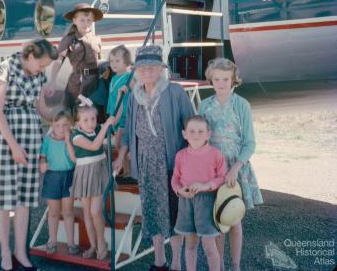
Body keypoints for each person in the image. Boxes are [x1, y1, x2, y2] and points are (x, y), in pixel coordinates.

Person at [0, 39, 58, 271]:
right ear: (30, 56)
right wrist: (14, 146)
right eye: (42, 65)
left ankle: (20, 252)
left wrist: (63, 120)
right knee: (5, 200)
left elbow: (41, 108)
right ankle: (6, 253)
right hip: (5, 140)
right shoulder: (4, 69)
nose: (43, 69)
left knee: (25, 199)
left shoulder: (38, 76)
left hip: (31, 138)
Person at [113, 45, 195, 271]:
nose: (147, 70)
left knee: (175, 213)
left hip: (171, 163)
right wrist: (121, 157)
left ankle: (177, 263)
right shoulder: (134, 96)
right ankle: (159, 262)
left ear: (160, 69)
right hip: (146, 164)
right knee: (152, 213)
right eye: (142, 67)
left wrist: (192, 162)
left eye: (152, 66)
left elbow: (191, 126)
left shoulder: (175, 92)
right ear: (137, 70)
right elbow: (129, 130)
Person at [199, 57, 263, 271]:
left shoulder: (241, 105)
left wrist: (236, 167)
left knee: (233, 217)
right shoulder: (205, 105)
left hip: (235, 167)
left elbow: (250, 143)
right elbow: (199, 138)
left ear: (233, 80)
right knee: (217, 221)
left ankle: (235, 265)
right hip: (213, 168)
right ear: (211, 80)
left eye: (225, 79)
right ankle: (219, 266)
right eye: (216, 79)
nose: (221, 83)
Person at [171, 115, 227, 271]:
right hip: (186, 202)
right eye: (192, 131)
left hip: (207, 202)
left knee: (209, 246)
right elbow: (175, 178)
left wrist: (205, 186)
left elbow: (222, 177)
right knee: (190, 245)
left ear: (208, 134)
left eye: (201, 131)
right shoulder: (180, 155)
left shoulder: (216, 154)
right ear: (184, 134)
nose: (196, 135)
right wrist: (179, 190)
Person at [70, 96, 116, 260]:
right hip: (84, 174)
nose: (91, 123)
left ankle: (102, 242)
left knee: (96, 211)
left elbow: (113, 124)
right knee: (87, 213)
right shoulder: (76, 136)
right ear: (77, 123)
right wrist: (104, 127)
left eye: (94, 119)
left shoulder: (97, 130)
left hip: (98, 172)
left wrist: (117, 98)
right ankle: (93, 245)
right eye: (86, 120)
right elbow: (94, 146)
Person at [44, 3, 104, 111]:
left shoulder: (97, 39)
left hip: (95, 84)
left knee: (95, 115)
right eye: (82, 20)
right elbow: (58, 61)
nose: (86, 23)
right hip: (77, 84)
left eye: (89, 20)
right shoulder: (68, 40)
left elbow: (99, 62)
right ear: (75, 21)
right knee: (74, 115)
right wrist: (52, 82)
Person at [39, 109, 79, 255]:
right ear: (52, 125)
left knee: (68, 212)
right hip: (52, 178)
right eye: (57, 125)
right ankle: (53, 241)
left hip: (68, 177)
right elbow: (42, 157)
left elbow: (74, 160)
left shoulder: (73, 140)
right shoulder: (47, 140)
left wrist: (68, 141)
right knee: (54, 212)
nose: (61, 129)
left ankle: (71, 242)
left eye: (65, 125)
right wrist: (42, 162)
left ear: (70, 126)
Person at [106, 45, 133, 176]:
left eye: (117, 61)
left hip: (123, 117)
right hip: (114, 115)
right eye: (111, 61)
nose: (113, 64)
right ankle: (126, 170)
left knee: (120, 143)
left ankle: (129, 170)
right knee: (118, 145)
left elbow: (136, 88)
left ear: (126, 62)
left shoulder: (129, 77)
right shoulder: (113, 78)